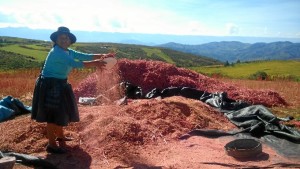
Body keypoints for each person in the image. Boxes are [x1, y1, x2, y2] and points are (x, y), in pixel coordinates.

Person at [31, 26, 115, 154]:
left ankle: (60, 136)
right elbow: (75, 63)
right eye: (61, 38)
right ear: (56, 40)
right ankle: (51, 145)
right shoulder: (57, 52)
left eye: (66, 38)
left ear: (70, 40)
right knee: (52, 115)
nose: (64, 40)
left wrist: (101, 56)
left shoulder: (68, 51)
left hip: (60, 83)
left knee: (61, 112)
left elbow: (82, 56)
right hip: (50, 85)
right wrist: (97, 63)